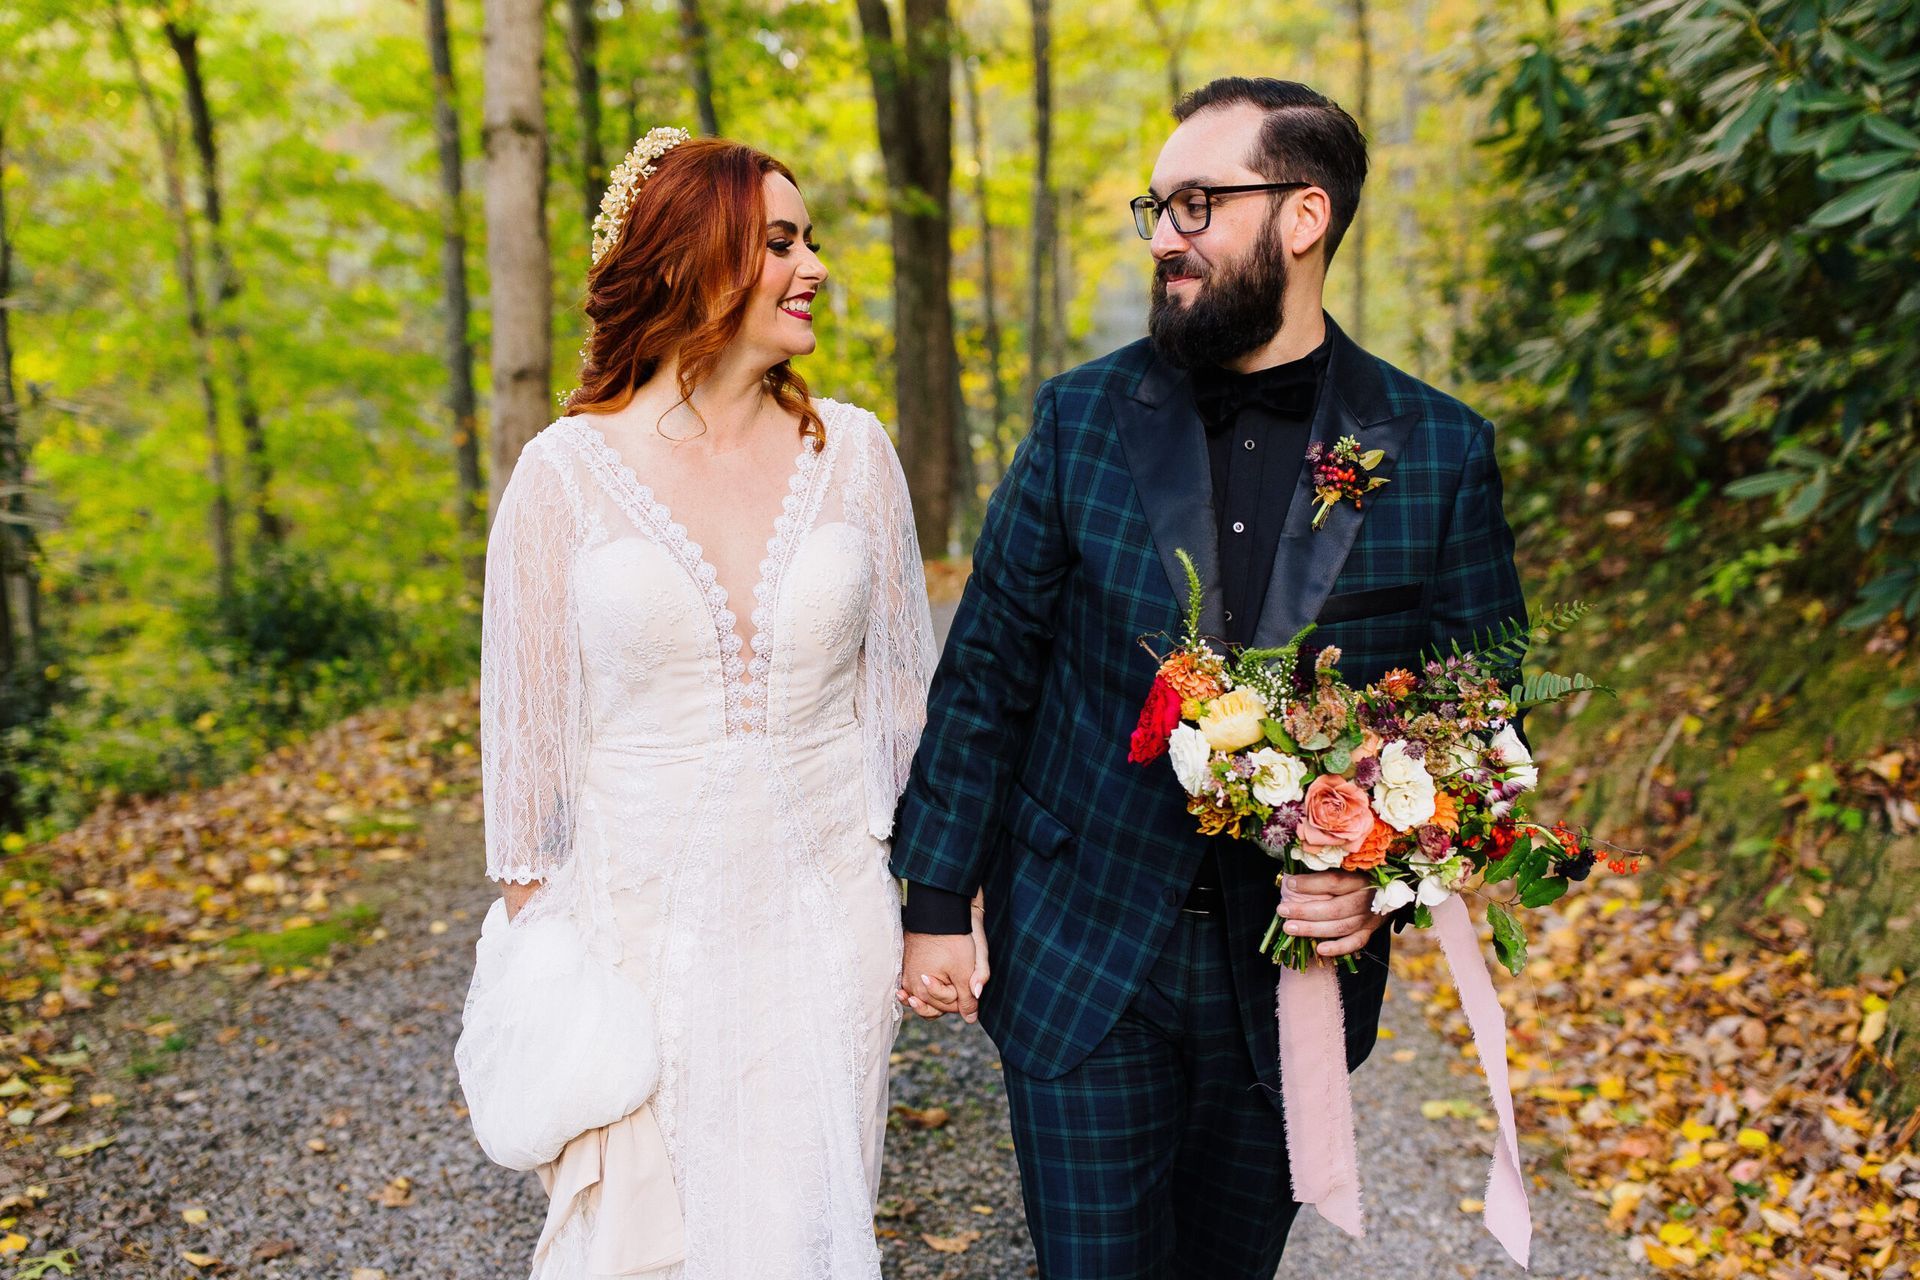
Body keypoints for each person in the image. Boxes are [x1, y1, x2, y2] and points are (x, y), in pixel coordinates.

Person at [890, 78, 1528, 1278]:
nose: (1165, 237)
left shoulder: (1436, 445)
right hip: (1081, 948)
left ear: (1303, 216)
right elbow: (989, 665)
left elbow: (1482, 711)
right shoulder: (1083, 419)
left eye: (1196, 204)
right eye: (1158, 207)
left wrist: (1383, 881)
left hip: (1290, 972)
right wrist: (934, 897)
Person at [474, 131, 981, 1279]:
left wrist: (945, 904)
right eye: (780, 243)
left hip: (826, 920)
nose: (815, 266)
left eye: (811, 241)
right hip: (635, 937)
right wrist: (556, 990)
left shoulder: (856, 453)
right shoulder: (561, 475)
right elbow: (527, 768)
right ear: (689, 261)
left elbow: (905, 712)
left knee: (808, 1226)